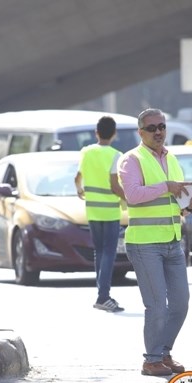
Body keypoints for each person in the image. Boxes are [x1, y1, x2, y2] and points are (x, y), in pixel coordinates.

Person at [118, 108, 192, 376]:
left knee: (181, 303)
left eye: (162, 126)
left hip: (172, 241)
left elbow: (176, 204)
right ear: (140, 132)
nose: (158, 132)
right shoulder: (131, 160)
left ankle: (164, 353)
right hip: (144, 245)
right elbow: (132, 195)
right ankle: (152, 359)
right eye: (152, 128)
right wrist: (166, 186)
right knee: (156, 305)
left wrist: (190, 205)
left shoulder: (172, 159)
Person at [75, 116, 126, 313]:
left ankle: (102, 293)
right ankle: (103, 296)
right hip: (110, 211)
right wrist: (129, 198)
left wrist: (79, 189)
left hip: (92, 210)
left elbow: (77, 177)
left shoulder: (86, 152)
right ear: (114, 134)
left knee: (99, 252)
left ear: (96, 132)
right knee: (109, 252)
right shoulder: (115, 155)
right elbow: (114, 186)